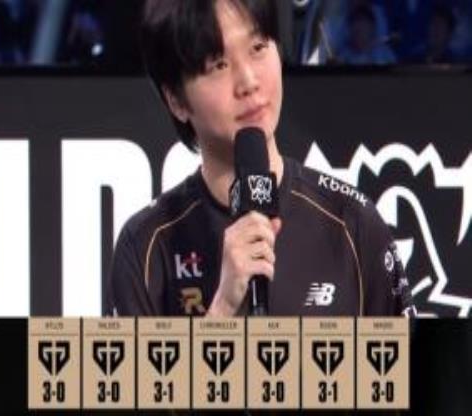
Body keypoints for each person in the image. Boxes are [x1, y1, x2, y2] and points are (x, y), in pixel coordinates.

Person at [106, 0, 416, 318]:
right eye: (218, 64)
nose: (248, 82)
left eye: (257, 48)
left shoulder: (353, 224)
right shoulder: (144, 247)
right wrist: (224, 309)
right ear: (176, 101)